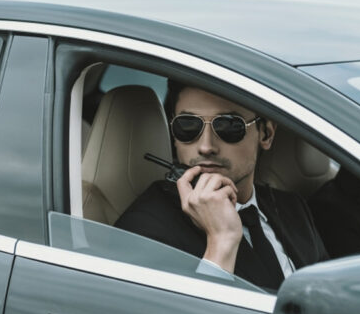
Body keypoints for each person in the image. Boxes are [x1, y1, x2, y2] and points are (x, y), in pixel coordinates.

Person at [115, 84, 327, 290]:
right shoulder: (143, 229)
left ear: (266, 134)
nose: (206, 146)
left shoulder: (293, 208)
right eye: (188, 126)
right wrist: (221, 242)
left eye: (228, 126)